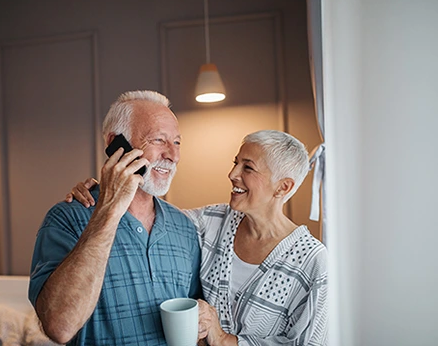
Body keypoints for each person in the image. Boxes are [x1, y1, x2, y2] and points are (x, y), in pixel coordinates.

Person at [69, 130, 328, 345]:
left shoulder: (312, 261)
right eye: (235, 162)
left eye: (247, 167)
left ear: (283, 187)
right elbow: (147, 214)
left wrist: (224, 339)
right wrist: (106, 191)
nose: (233, 174)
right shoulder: (211, 221)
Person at [29, 90, 202, 345]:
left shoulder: (185, 227)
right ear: (116, 143)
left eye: (176, 142)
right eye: (158, 140)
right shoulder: (66, 218)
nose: (173, 155)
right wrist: (108, 211)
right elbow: (59, 327)